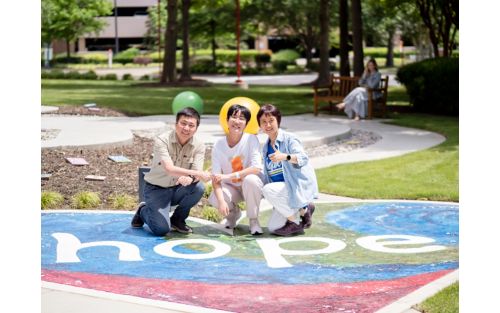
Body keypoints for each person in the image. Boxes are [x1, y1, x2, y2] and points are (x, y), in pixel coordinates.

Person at [131, 107, 211, 236]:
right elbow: (169, 169)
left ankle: (177, 220)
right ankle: (143, 211)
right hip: (156, 189)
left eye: (191, 125)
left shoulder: (199, 146)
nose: (186, 128)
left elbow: (195, 171)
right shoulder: (162, 140)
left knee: (198, 188)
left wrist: (190, 178)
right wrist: (196, 174)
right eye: (183, 123)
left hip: (177, 189)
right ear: (176, 124)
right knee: (161, 230)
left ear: (196, 128)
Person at [257, 104, 318, 236]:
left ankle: (296, 221)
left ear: (278, 120)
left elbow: (303, 158)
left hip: (294, 187)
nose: (268, 125)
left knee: (268, 189)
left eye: (271, 120)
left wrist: (285, 156)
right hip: (284, 193)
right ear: (260, 126)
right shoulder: (266, 147)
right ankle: (305, 209)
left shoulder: (289, 139)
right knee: (273, 228)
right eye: (264, 122)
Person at [208, 104, 264, 235]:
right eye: (234, 117)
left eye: (242, 119)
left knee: (251, 180)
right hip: (233, 189)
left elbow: (256, 168)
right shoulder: (218, 144)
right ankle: (233, 215)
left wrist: (228, 176)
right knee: (215, 198)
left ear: (246, 124)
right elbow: (216, 177)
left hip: (251, 187)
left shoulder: (251, 139)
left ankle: (254, 221)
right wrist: (222, 202)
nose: (237, 121)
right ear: (227, 120)